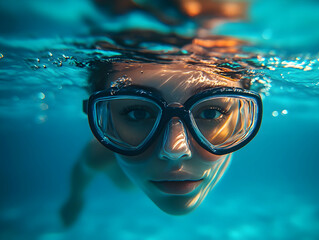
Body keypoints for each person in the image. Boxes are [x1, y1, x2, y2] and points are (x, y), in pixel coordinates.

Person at [60, 34, 262, 227]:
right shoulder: (99, 154)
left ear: (243, 116)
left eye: (210, 113)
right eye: (137, 113)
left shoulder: (99, 158)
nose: (175, 151)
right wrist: (75, 198)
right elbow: (81, 171)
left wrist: (74, 199)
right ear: (105, 118)